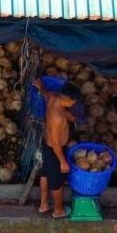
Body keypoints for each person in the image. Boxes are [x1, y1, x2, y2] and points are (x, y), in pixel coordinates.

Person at [35, 80, 81, 218]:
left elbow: (45, 93)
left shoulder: (53, 97)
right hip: (54, 150)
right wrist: (62, 161)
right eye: (74, 102)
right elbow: (55, 142)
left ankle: (43, 205)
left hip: (46, 145)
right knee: (57, 183)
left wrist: (41, 87)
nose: (74, 104)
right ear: (67, 101)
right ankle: (58, 211)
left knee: (45, 173)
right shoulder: (57, 117)